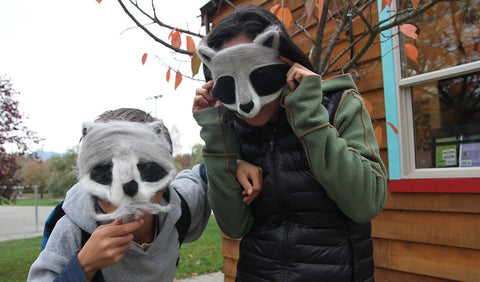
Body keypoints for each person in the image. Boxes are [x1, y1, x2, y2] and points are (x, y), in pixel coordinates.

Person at [192, 6, 387, 282]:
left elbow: (367, 203)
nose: (247, 99)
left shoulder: (338, 105)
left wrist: (309, 118)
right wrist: (221, 149)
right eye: (229, 82)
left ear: (281, 60)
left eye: (257, 73)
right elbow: (234, 226)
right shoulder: (230, 133)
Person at [27, 108, 211, 282]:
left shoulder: (181, 206)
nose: (125, 189)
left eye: (144, 167)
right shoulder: (73, 232)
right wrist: (84, 265)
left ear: (168, 177)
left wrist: (217, 128)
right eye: (107, 170)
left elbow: (207, 175)